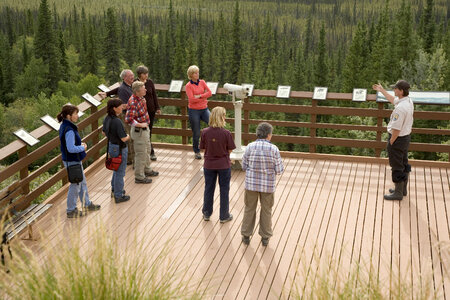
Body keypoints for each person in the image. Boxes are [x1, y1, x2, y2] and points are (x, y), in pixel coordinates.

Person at [241, 122, 284, 246]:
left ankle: (246, 235)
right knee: (266, 210)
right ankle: (265, 237)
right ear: (269, 135)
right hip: (268, 185)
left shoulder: (250, 146)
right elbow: (280, 170)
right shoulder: (274, 149)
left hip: (251, 184)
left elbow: (244, 165)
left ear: (257, 134)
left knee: (249, 208)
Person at [373, 80, 414, 200]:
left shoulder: (400, 109)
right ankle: (402, 189)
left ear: (401, 91)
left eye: (396, 89)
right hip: (405, 138)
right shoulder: (408, 101)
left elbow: (396, 129)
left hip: (397, 139)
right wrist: (382, 90)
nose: (394, 90)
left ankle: (398, 193)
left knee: (396, 165)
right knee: (403, 162)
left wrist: (391, 142)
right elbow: (393, 100)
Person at [57, 104, 101, 218]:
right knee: (75, 185)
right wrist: (82, 147)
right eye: (75, 113)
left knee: (82, 183)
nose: (77, 116)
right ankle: (71, 210)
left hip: (72, 160)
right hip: (72, 161)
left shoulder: (65, 125)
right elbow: (70, 148)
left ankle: (86, 204)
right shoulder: (69, 130)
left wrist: (79, 144)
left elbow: (69, 145)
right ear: (68, 116)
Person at [200, 107, 236, 223]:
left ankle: (206, 213)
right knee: (224, 190)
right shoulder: (226, 133)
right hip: (223, 165)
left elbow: (203, 149)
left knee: (208, 188)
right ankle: (224, 215)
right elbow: (230, 149)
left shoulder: (205, 132)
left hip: (209, 164)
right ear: (222, 117)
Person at [98, 69, 135, 165]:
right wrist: (136, 103)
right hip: (125, 115)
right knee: (128, 135)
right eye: (130, 76)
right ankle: (129, 158)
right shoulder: (123, 89)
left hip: (128, 115)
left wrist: (107, 93)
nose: (133, 77)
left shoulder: (128, 86)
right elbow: (123, 105)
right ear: (125, 78)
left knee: (129, 136)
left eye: (133, 75)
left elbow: (118, 89)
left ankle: (129, 158)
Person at [125, 81, 159, 184]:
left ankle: (147, 169)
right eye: (143, 88)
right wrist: (140, 125)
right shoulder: (132, 102)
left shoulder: (142, 99)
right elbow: (129, 119)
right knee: (140, 154)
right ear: (137, 91)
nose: (146, 90)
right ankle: (139, 176)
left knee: (147, 150)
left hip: (145, 130)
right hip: (139, 131)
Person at [103, 99, 131, 203]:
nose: (122, 107)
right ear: (114, 108)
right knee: (120, 172)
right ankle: (118, 195)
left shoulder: (107, 119)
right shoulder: (117, 121)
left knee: (116, 168)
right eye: (120, 106)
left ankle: (114, 190)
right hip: (120, 147)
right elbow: (123, 138)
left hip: (111, 145)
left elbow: (103, 132)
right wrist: (128, 136)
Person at [185, 65, 212, 160]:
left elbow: (210, 93)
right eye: (195, 73)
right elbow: (191, 100)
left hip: (204, 109)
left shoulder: (202, 82)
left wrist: (199, 96)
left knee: (214, 124)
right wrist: (203, 96)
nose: (197, 74)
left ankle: (212, 147)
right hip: (194, 110)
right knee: (196, 132)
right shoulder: (188, 86)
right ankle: (196, 151)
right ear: (191, 75)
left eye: (198, 72)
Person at [136, 65, 161, 161]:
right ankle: (150, 152)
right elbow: (121, 88)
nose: (146, 75)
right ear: (140, 74)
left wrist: (157, 107)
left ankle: (150, 151)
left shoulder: (150, 82)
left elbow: (154, 95)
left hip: (151, 111)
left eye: (147, 73)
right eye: (144, 73)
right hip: (141, 113)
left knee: (149, 131)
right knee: (143, 132)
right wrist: (108, 93)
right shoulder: (135, 83)